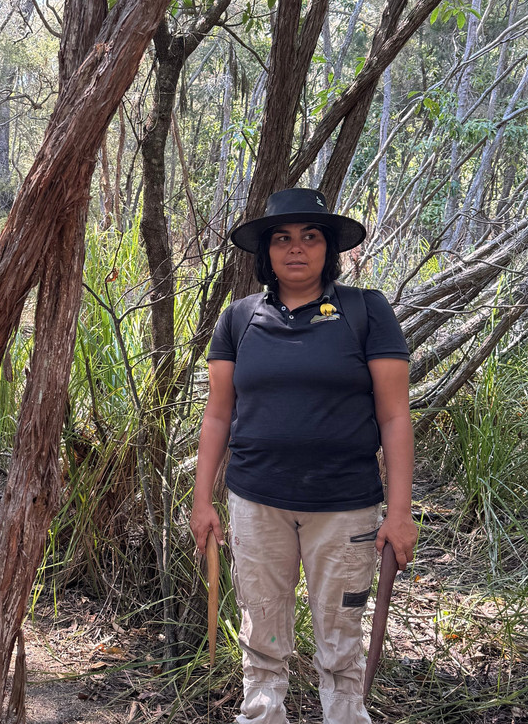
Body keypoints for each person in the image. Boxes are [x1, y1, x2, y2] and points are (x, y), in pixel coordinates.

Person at [189, 188, 418, 724]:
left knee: (340, 642)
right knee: (263, 636)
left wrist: (401, 513)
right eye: (283, 238)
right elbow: (218, 415)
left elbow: (395, 417)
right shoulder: (239, 319)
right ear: (266, 252)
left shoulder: (366, 311)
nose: (297, 249)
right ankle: (263, 714)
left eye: (310, 237)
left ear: (329, 249)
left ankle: (344, 715)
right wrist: (203, 502)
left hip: (344, 508)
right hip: (256, 502)